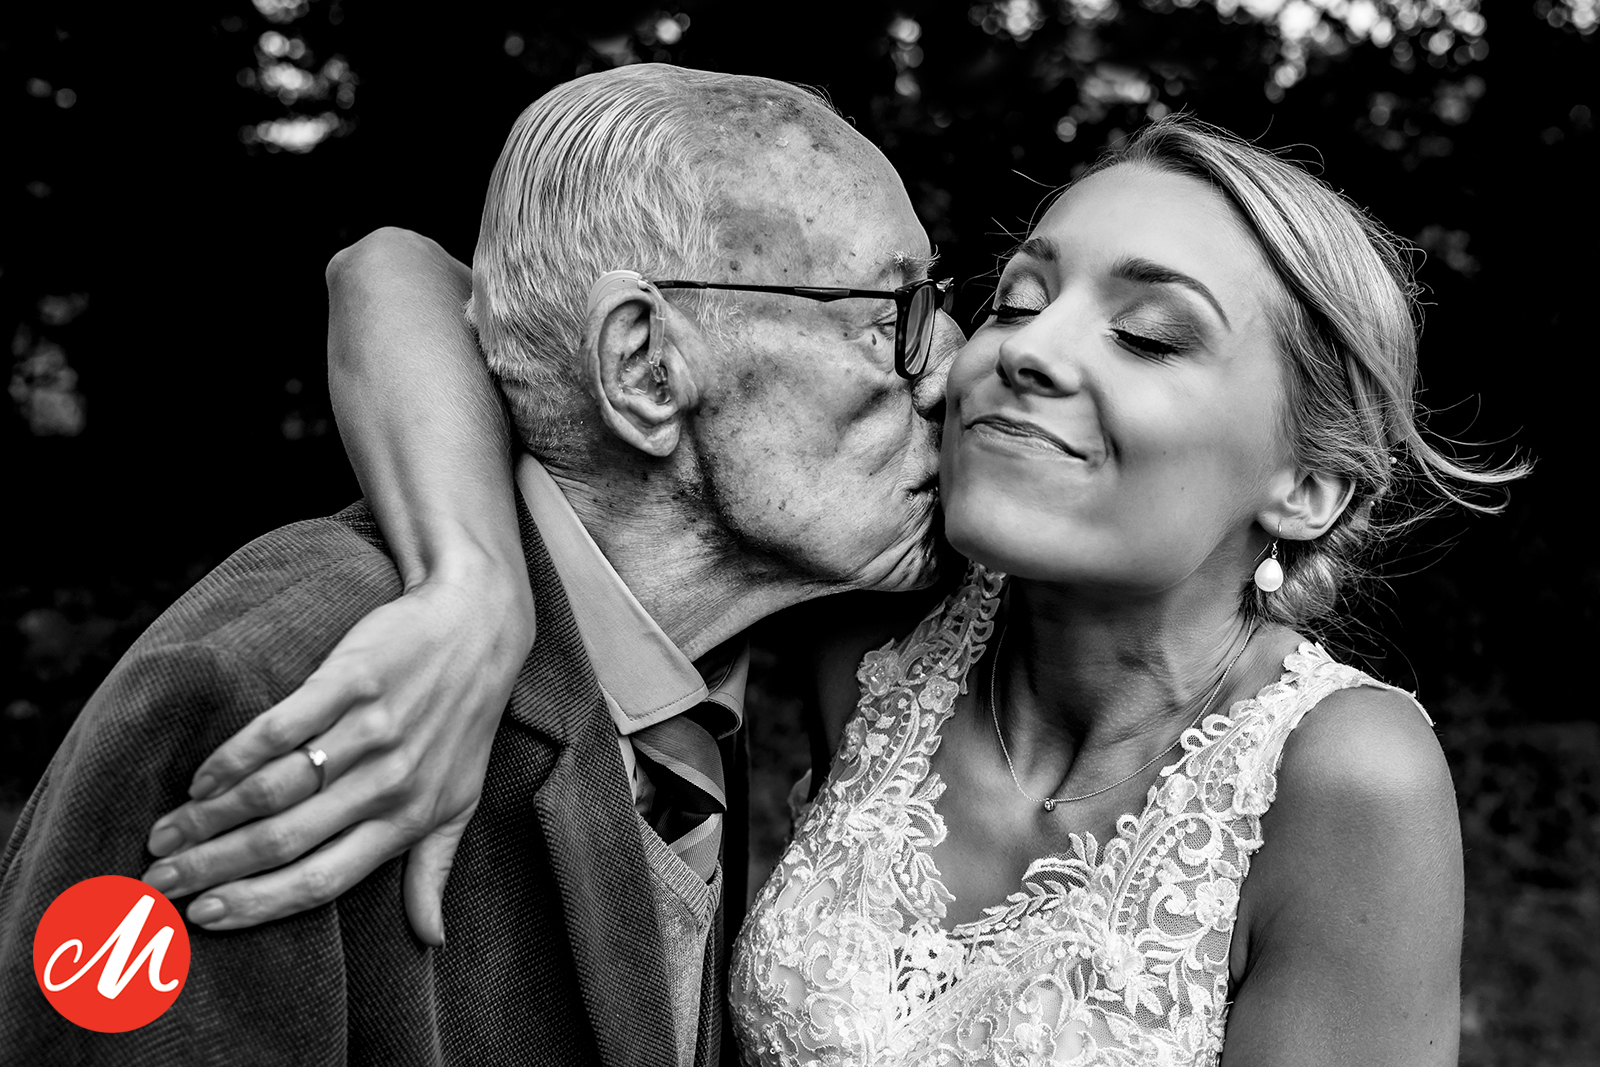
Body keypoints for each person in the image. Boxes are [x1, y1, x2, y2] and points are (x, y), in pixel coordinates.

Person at [141, 122, 1520, 1062]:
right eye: (1018, 296)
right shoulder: (875, 621)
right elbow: (400, 271)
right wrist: (473, 578)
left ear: (1306, 485)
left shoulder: (1341, 774)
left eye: (1149, 335)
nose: (1023, 350)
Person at [0, 64, 959, 1065]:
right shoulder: (277, 694)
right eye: (888, 314)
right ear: (643, 366)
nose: (946, 367)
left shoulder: (720, 673)